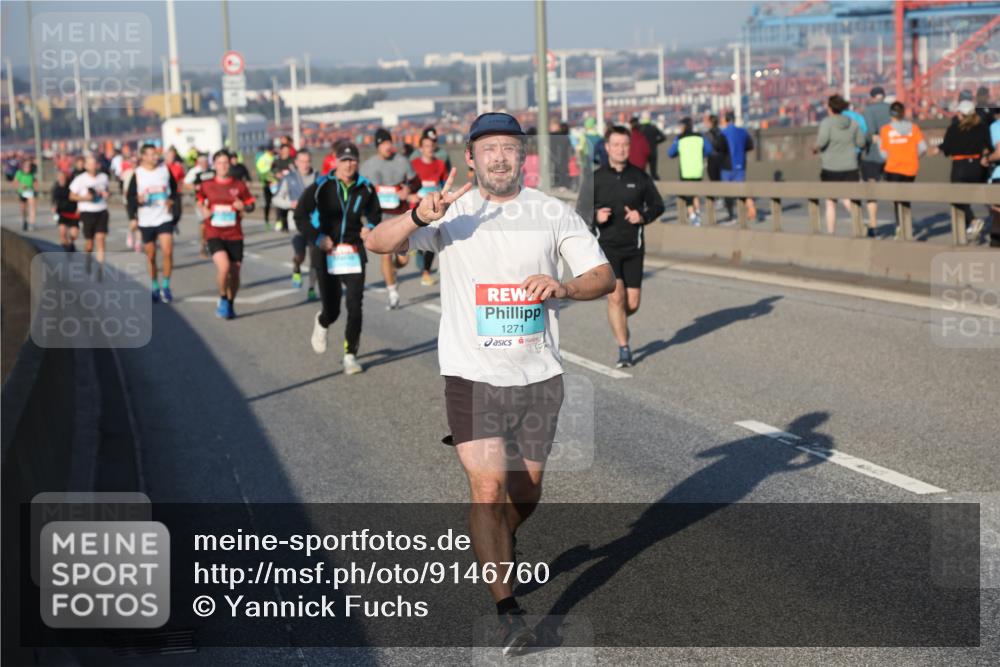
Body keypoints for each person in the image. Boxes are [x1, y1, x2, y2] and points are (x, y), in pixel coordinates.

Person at [366, 112, 613, 655]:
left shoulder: (552, 213)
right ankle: (508, 613)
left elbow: (603, 276)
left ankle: (503, 538)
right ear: (470, 159)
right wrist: (415, 215)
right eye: (489, 149)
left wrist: (564, 288)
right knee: (486, 488)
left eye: (509, 147)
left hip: (537, 374)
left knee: (524, 491)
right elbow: (379, 244)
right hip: (470, 373)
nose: (499, 157)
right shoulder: (448, 214)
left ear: (521, 155)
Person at [294, 141, 381, 375]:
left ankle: (350, 354)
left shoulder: (366, 188)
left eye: (353, 159)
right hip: (326, 253)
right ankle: (322, 321)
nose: (349, 164)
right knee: (332, 309)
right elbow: (300, 215)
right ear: (335, 161)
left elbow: (375, 215)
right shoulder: (321, 186)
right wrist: (317, 237)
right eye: (344, 160)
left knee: (355, 305)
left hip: (353, 253)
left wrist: (370, 227)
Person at [592, 125, 665, 368]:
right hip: (606, 248)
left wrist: (642, 216)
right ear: (607, 147)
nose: (621, 149)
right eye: (616, 145)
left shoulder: (640, 177)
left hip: (634, 248)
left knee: (631, 303)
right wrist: (595, 216)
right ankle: (624, 348)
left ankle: (617, 318)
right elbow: (578, 214)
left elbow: (658, 205)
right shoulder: (596, 178)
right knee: (617, 297)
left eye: (625, 145)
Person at [360, 128, 420, 309]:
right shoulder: (368, 166)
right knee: (385, 255)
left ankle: (394, 269)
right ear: (377, 146)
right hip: (380, 216)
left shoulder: (402, 161)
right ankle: (392, 292)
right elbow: (360, 189)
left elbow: (417, 181)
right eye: (383, 144)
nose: (387, 146)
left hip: (400, 215)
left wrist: (408, 190)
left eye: (389, 143)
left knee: (403, 260)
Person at [196, 150, 256, 319]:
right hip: (214, 233)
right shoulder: (207, 184)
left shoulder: (238, 185)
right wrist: (203, 209)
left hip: (235, 234)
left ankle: (230, 302)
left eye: (225, 163)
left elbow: (251, 204)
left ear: (230, 164)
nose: (222, 166)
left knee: (235, 274)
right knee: (224, 267)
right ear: (214, 165)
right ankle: (223, 298)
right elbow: (199, 198)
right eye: (219, 163)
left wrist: (243, 207)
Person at [127, 144, 182, 304]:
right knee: (151, 255)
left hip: (164, 217)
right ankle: (154, 286)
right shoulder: (137, 174)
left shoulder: (164, 170)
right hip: (146, 219)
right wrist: (133, 215)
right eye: (150, 155)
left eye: (155, 154)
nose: (154, 157)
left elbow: (174, 191)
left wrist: (172, 203)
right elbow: (130, 198)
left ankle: (166, 285)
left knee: (167, 250)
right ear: (143, 156)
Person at [939, 99, 992, 241]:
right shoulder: (982, 127)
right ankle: (992, 221)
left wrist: (939, 149)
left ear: (960, 114)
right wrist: (985, 156)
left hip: (960, 166)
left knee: (957, 198)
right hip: (978, 166)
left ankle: (973, 222)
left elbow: (946, 149)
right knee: (986, 196)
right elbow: (990, 146)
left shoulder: (954, 129)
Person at [814, 94, 865, 235]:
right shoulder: (853, 123)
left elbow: (822, 142)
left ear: (830, 108)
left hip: (830, 167)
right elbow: (861, 142)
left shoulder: (827, 123)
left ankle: (831, 234)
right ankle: (859, 227)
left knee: (831, 202)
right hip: (851, 166)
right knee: (849, 199)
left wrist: (815, 148)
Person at [273, 148, 318, 300]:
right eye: (302, 161)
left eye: (308, 161)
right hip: (296, 224)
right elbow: (276, 199)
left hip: (315, 224)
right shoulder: (289, 178)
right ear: (296, 163)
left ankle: (312, 288)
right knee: (300, 255)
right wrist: (290, 203)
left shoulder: (319, 178)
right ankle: (296, 268)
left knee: (315, 258)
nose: (305, 164)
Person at [877, 101, 927, 237]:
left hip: (893, 168)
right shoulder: (914, 128)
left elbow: (883, 154)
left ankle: (900, 226)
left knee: (897, 199)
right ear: (903, 113)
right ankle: (906, 225)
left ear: (891, 114)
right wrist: (912, 157)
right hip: (911, 168)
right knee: (906, 198)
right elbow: (923, 149)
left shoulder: (885, 130)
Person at [410, 132, 449, 286]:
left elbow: (444, 183)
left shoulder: (440, 164)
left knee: (432, 239)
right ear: (421, 148)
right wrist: (410, 195)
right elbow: (407, 184)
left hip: (433, 207)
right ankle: (413, 253)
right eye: (426, 146)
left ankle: (425, 272)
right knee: (417, 244)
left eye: (432, 146)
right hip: (415, 207)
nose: (430, 149)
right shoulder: (413, 164)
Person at [667, 117, 712, 225]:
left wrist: (680, 152)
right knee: (695, 192)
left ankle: (692, 216)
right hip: (697, 170)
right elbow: (709, 150)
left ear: (684, 127)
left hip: (685, 171)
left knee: (687, 195)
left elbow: (670, 153)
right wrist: (700, 154)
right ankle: (697, 212)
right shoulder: (700, 137)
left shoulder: (680, 138)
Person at [69, 155, 111, 270]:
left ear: (98, 165)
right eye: (90, 164)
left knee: (101, 238)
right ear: (86, 166)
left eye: (95, 163)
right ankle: (88, 259)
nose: (93, 166)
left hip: (102, 211)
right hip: (87, 212)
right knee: (89, 243)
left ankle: (100, 268)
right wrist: (85, 198)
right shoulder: (80, 179)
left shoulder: (104, 177)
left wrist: (107, 194)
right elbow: (71, 196)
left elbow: (107, 191)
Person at [861, 87, 892, 236]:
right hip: (891, 153)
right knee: (896, 189)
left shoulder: (869, 110)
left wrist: (864, 142)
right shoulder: (892, 109)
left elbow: (870, 131)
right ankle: (901, 224)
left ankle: (873, 225)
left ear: (872, 97)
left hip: (872, 154)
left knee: (871, 189)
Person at [720, 111, 757, 222]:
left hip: (727, 166)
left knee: (727, 192)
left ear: (726, 120)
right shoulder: (743, 132)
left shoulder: (724, 133)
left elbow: (719, 148)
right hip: (740, 165)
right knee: (742, 190)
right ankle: (751, 207)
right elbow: (750, 146)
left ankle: (731, 215)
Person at [51, 169, 80, 251]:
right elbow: (54, 199)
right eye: (59, 177)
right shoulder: (56, 187)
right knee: (62, 233)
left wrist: (79, 208)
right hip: (62, 213)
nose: (61, 178)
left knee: (74, 235)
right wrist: (53, 206)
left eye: (63, 177)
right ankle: (65, 248)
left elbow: (77, 196)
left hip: (73, 212)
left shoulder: (71, 186)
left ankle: (71, 243)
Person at [984, 107, 1000, 247]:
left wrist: (987, 159)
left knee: (996, 215)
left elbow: (999, 152)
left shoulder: (996, 126)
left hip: (998, 175)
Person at [271, 143, 294, 231]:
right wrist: (277, 174)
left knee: (288, 204)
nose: (286, 153)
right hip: (279, 185)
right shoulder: (277, 161)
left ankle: (287, 223)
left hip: (290, 185)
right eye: (284, 151)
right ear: (281, 151)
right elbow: (272, 170)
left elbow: (295, 170)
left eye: (287, 151)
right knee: (279, 204)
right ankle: (280, 221)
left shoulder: (292, 160)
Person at [638, 110, 667, 180]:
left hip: (642, 152)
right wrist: (655, 142)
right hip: (653, 151)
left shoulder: (639, 128)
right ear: (649, 118)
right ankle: (657, 187)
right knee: (653, 172)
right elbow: (663, 137)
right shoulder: (653, 127)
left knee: (640, 172)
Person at [14, 157, 37, 231]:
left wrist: (35, 187)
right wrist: (21, 186)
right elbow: (15, 183)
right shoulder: (19, 173)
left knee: (32, 207)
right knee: (23, 208)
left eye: (29, 166)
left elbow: (35, 182)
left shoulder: (32, 173)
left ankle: (32, 223)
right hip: (22, 192)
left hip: (30, 192)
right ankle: (24, 220)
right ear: (23, 167)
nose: (27, 168)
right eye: (26, 166)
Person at [255, 145, 276, 227]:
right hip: (267, 182)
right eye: (270, 150)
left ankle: (279, 220)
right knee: (268, 202)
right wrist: (268, 170)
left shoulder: (274, 157)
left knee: (277, 202)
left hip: (275, 182)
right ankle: (266, 220)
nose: (271, 151)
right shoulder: (263, 158)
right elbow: (259, 168)